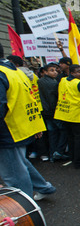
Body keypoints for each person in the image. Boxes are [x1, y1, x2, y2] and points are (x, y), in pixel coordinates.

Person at [0, 43, 56, 200]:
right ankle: (44, 188)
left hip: (8, 131)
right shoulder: (14, 71)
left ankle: (24, 210)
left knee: (14, 175)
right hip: (18, 127)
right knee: (19, 163)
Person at [54, 64, 80, 169]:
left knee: (71, 138)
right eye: (78, 71)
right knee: (79, 139)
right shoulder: (79, 84)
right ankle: (79, 161)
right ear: (71, 73)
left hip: (64, 114)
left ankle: (73, 157)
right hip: (77, 115)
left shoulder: (63, 80)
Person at [38, 63, 68, 162]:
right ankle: (58, 152)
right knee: (62, 131)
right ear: (45, 72)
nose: (55, 72)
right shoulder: (53, 84)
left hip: (45, 111)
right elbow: (53, 99)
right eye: (52, 70)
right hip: (53, 111)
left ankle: (52, 154)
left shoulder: (40, 81)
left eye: (55, 70)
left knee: (52, 133)